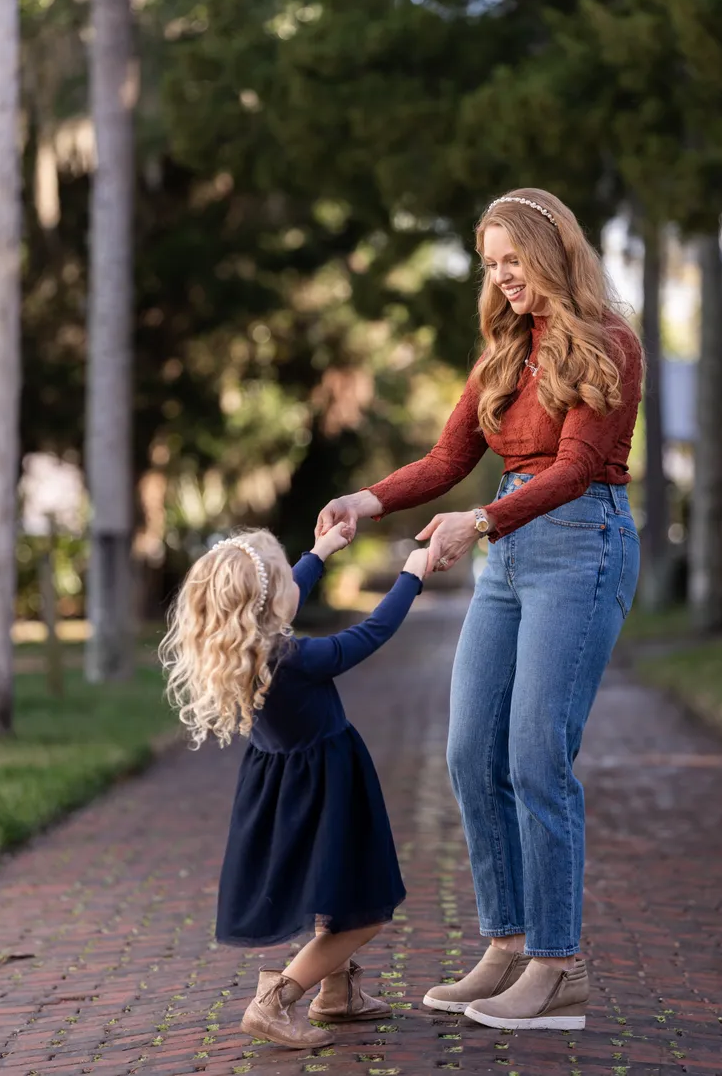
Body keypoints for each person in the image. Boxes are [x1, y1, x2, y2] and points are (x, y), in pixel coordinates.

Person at [316, 188, 643, 1031]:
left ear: (553, 251)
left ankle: (557, 964)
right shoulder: (505, 353)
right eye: (491, 264)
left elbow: (573, 469)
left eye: (514, 261)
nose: (503, 279)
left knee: (538, 755)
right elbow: (446, 457)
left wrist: (483, 518)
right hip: (510, 547)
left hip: (581, 542)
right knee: (468, 750)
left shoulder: (612, 343)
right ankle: (506, 943)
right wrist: (364, 500)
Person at [159, 525, 429, 1048]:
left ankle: (338, 994)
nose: (295, 586)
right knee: (364, 911)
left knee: (333, 890)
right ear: (269, 600)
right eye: (286, 577)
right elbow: (369, 634)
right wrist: (410, 579)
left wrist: (320, 552)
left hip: (284, 790)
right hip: (328, 788)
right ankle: (276, 999)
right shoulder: (296, 659)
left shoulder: (248, 651)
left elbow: (287, 593)